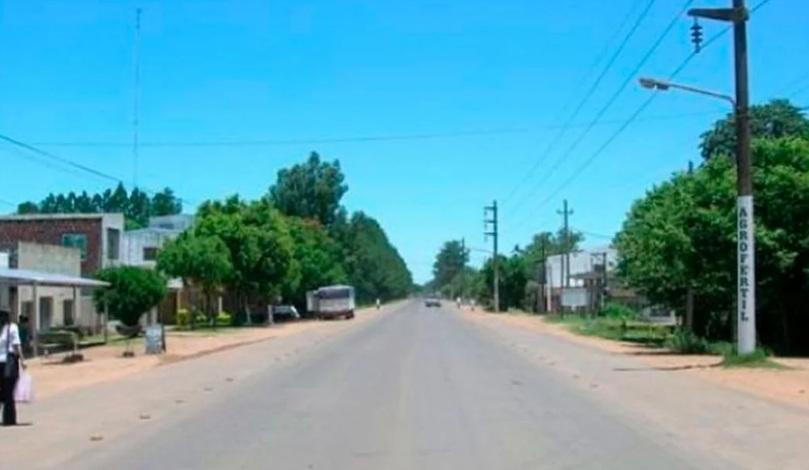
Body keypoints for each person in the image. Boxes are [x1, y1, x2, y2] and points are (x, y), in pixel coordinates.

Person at [0, 309, 25, 426]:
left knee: (5, 392)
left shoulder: (7, 329)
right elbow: (16, 345)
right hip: (9, 363)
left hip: (5, 362)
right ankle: (9, 419)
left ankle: (8, 418)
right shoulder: (12, 327)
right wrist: (22, 360)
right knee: (9, 392)